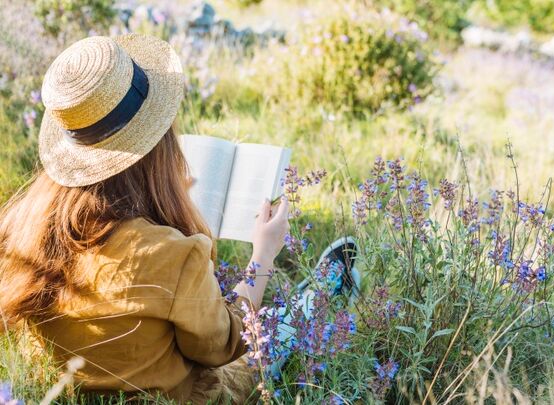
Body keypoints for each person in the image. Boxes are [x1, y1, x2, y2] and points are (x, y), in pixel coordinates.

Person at [0, 34, 358, 404]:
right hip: (183, 396)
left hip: (67, 394)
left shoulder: (22, 230)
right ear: (156, 145)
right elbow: (224, 344)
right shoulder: (166, 253)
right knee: (271, 337)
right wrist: (263, 257)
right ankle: (318, 297)